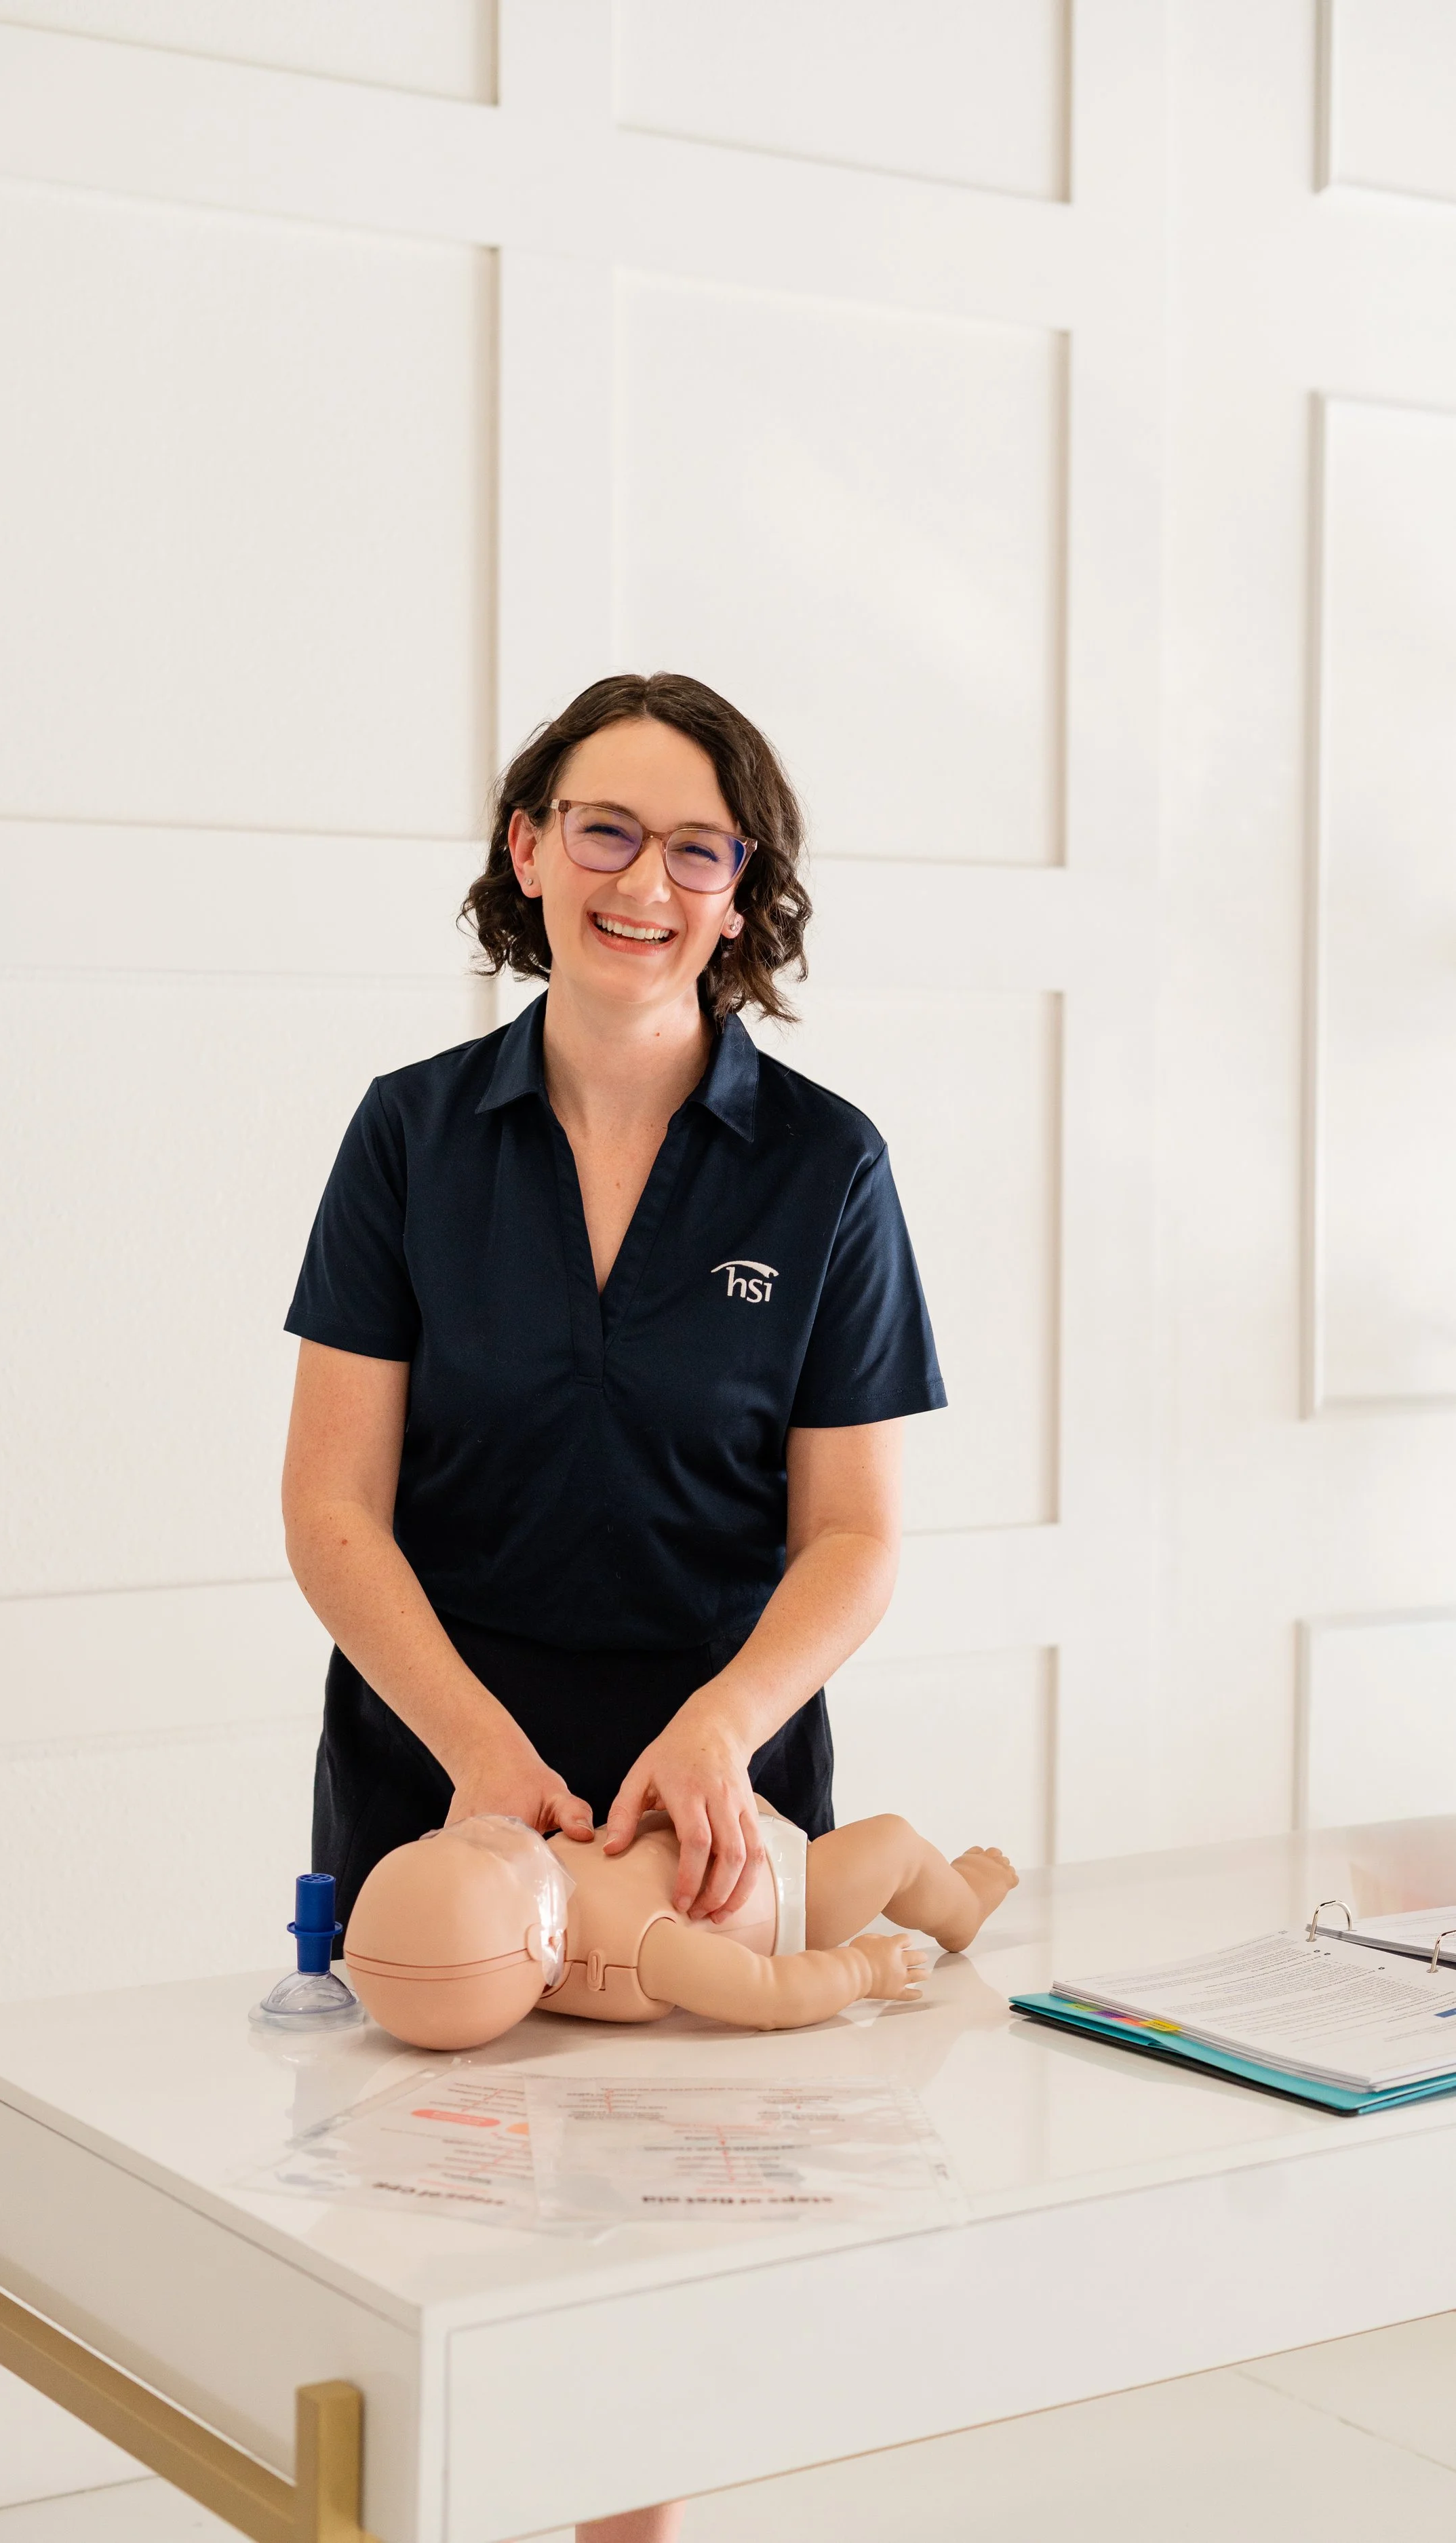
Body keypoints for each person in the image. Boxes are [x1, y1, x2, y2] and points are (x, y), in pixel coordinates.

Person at [281, 666, 945, 1942]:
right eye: (607, 831)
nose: (645, 884)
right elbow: (330, 1504)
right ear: (529, 849)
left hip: (716, 1806)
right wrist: (479, 1749)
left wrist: (723, 1729)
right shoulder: (408, 1135)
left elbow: (854, 1535)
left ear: (740, 896)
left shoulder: (828, 1165)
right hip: (439, 1785)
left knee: (716, 2075)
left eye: (697, 850)